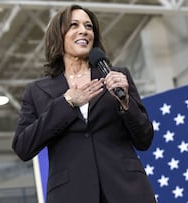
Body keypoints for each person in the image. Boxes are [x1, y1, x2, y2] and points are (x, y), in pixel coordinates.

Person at [12, 4, 156, 203]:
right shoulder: (37, 91)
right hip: (71, 194)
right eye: (74, 25)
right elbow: (23, 147)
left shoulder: (116, 77)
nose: (84, 31)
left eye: (89, 26)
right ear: (58, 35)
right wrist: (67, 102)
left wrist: (125, 102)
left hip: (126, 190)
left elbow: (144, 139)